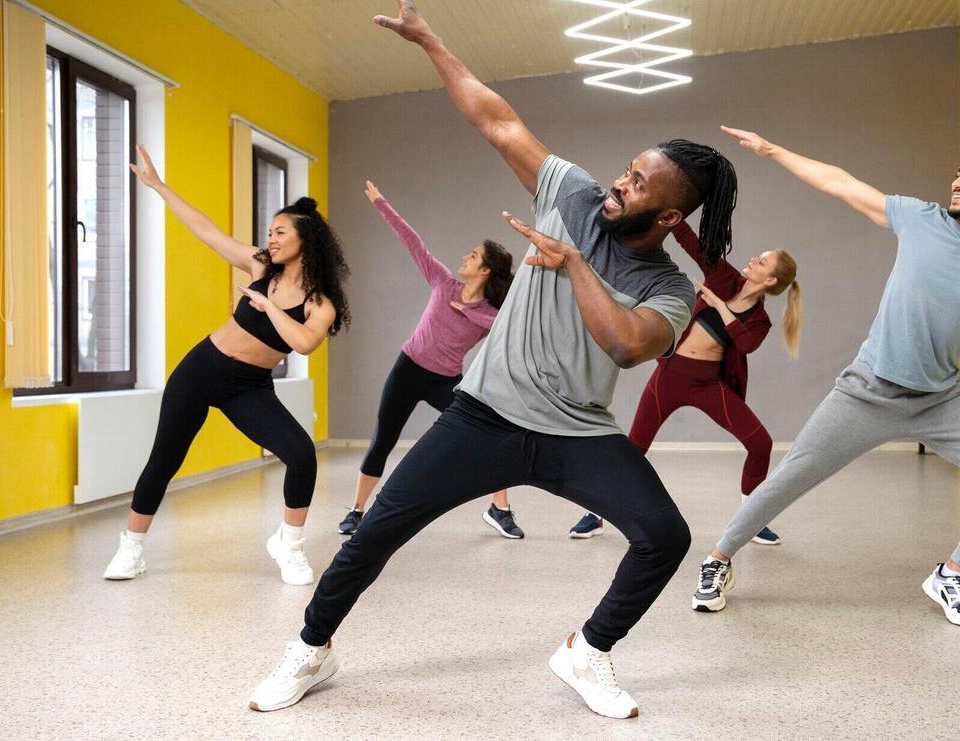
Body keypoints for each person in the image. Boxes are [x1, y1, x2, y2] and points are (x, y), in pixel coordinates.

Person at [247, 0, 739, 719]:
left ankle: (588, 651)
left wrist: (572, 264)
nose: (618, 184)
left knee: (665, 534)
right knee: (375, 530)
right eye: (627, 170)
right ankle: (311, 649)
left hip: (577, 432)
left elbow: (628, 345)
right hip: (482, 415)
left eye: (638, 185)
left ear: (668, 218)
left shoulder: (667, 287)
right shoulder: (571, 192)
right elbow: (498, 121)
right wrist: (434, 45)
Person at [692, 127, 960, 626]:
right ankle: (718, 560)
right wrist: (774, 149)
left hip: (939, 400)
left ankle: (954, 573)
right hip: (867, 391)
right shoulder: (920, 219)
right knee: (790, 477)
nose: (958, 182)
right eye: (958, 173)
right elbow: (840, 184)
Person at [103, 144, 350, 586]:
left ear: (305, 241)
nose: (270, 240)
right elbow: (205, 230)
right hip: (202, 370)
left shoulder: (319, 303)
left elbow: (304, 345)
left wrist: (266, 305)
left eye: (279, 233)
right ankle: (131, 548)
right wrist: (160, 188)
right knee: (164, 459)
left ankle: (288, 546)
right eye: (270, 233)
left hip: (249, 386)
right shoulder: (259, 266)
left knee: (300, 454)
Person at [569, 219, 801, 546]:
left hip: (708, 385)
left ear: (771, 279)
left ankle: (753, 517)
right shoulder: (723, 276)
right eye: (758, 256)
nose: (753, 259)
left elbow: (746, 343)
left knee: (760, 443)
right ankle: (596, 515)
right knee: (634, 449)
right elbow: (694, 244)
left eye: (762, 261)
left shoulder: (760, 321)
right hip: (670, 376)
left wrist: (720, 306)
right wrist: (672, 218)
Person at [338, 180, 521, 539]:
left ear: (485, 271)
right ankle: (357, 511)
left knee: (486, 436)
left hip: (446, 381)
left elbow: (504, 327)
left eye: (473, 256)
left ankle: (500, 508)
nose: (465, 257)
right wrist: (381, 202)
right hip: (407, 369)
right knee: (382, 440)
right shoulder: (443, 282)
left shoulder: (489, 311)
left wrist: (467, 314)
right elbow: (414, 243)